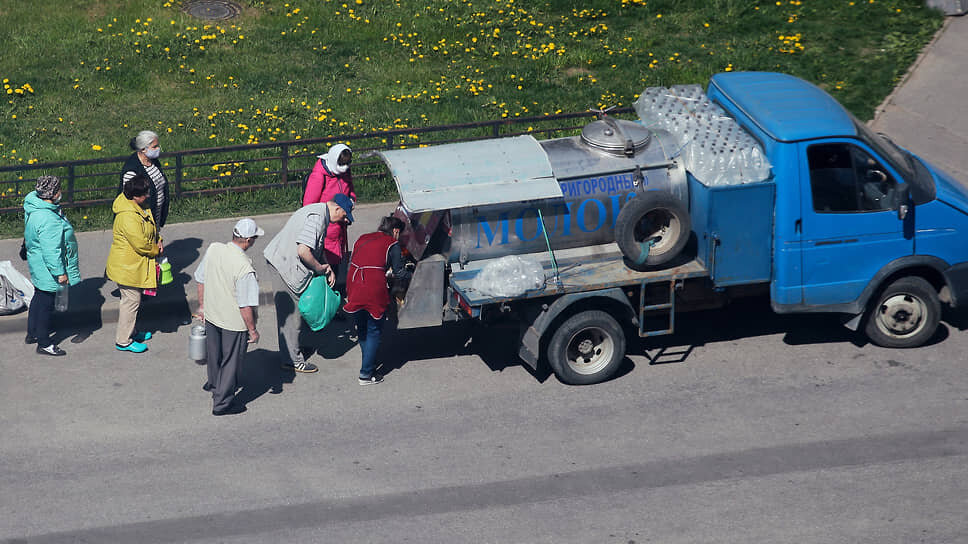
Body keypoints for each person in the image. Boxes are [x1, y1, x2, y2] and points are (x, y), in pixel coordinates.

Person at [263, 194, 354, 373]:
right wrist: (320, 268)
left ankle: (292, 350)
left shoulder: (318, 212)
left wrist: (327, 266)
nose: (344, 221)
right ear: (336, 208)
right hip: (283, 265)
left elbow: (316, 247)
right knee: (291, 316)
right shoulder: (317, 218)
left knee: (294, 313)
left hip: (281, 260)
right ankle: (292, 360)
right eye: (344, 216)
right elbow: (304, 251)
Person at [194, 218, 264, 416]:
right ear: (249, 240)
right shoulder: (244, 267)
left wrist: (202, 307)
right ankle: (222, 403)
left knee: (215, 356)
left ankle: (215, 384)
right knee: (231, 361)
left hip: (212, 314)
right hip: (233, 322)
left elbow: (200, 278)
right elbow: (244, 305)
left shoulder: (214, 249)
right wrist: (252, 330)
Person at [343, 215, 412, 385]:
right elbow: (400, 272)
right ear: (395, 231)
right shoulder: (392, 244)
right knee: (374, 330)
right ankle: (366, 374)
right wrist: (416, 274)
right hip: (372, 287)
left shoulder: (362, 238)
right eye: (399, 234)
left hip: (353, 283)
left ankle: (369, 362)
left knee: (363, 328)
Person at [23, 175, 81, 356]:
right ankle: (44, 342)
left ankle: (32, 332)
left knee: (38, 298)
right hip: (48, 268)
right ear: (53, 193)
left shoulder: (34, 205)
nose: (61, 192)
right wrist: (60, 273)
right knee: (46, 305)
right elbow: (52, 251)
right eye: (59, 189)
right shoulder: (49, 219)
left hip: (37, 262)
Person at [105, 175, 162, 354]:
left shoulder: (137, 207)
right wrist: (156, 249)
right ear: (135, 196)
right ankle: (123, 340)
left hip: (131, 265)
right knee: (131, 301)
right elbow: (141, 243)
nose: (148, 196)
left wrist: (158, 239)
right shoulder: (128, 216)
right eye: (145, 194)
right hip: (127, 267)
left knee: (131, 300)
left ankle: (132, 331)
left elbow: (150, 230)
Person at [302, 144, 356, 280]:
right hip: (326, 227)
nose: (345, 167)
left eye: (347, 164)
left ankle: (336, 287)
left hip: (340, 224)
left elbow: (351, 191)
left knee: (337, 261)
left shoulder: (345, 171)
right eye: (342, 164)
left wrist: (350, 204)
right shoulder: (319, 176)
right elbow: (309, 205)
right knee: (327, 263)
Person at [119, 130, 170, 229]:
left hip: (155, 215)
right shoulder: (132, 170)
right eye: (154, 147)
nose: (158, 149)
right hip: (141, 221)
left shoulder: (153, 162)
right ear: (143, 149)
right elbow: (131, 200)